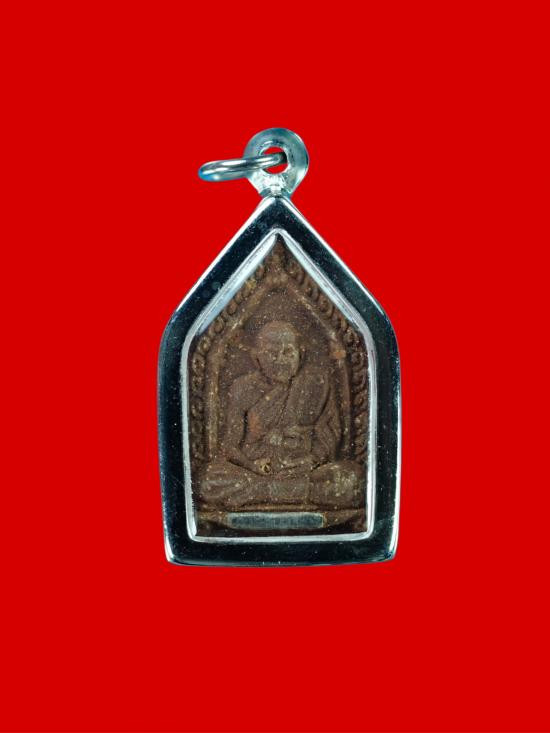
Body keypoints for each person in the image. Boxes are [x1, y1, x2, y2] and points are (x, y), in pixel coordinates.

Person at [198, 320, 362, 510]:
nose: (280, 360)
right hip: (259, 469)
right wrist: (252, 466)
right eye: (272, 353)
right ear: (256, 357)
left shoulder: (318, 382)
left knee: (353, 479)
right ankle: (290, 491)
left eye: (288, 352)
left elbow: (330, 432)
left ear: (301, 354)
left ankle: (263, 491)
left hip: (303, 468)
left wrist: (312, 460)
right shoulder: (242, 388)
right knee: (207, 480)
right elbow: (230, 446)